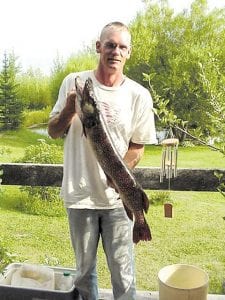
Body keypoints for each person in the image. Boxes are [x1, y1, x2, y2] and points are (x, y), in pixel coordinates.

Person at [48, 21, 157, 300]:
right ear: (99, 46)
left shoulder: (139, 95)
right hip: (80, 196)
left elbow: (137, 148)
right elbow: (53, 131)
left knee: (123, 273)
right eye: (110, 45)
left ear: (129, 52)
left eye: (122, 47)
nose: (115, 51)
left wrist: (116, 176)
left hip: (117, 202)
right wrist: (70, 110)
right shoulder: (74, 82)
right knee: (84, 274)